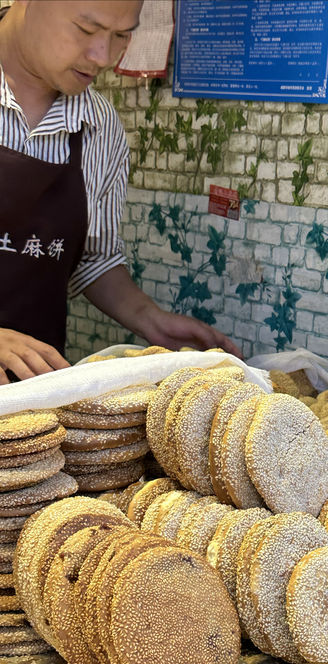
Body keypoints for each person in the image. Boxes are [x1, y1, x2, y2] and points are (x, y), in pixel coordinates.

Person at [0, 0, 242, 384]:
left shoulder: (100, 127)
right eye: (85, 28)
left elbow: (93, 257)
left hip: (35, 398)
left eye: (121, 35)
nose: (103, 56)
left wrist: (150, 319)